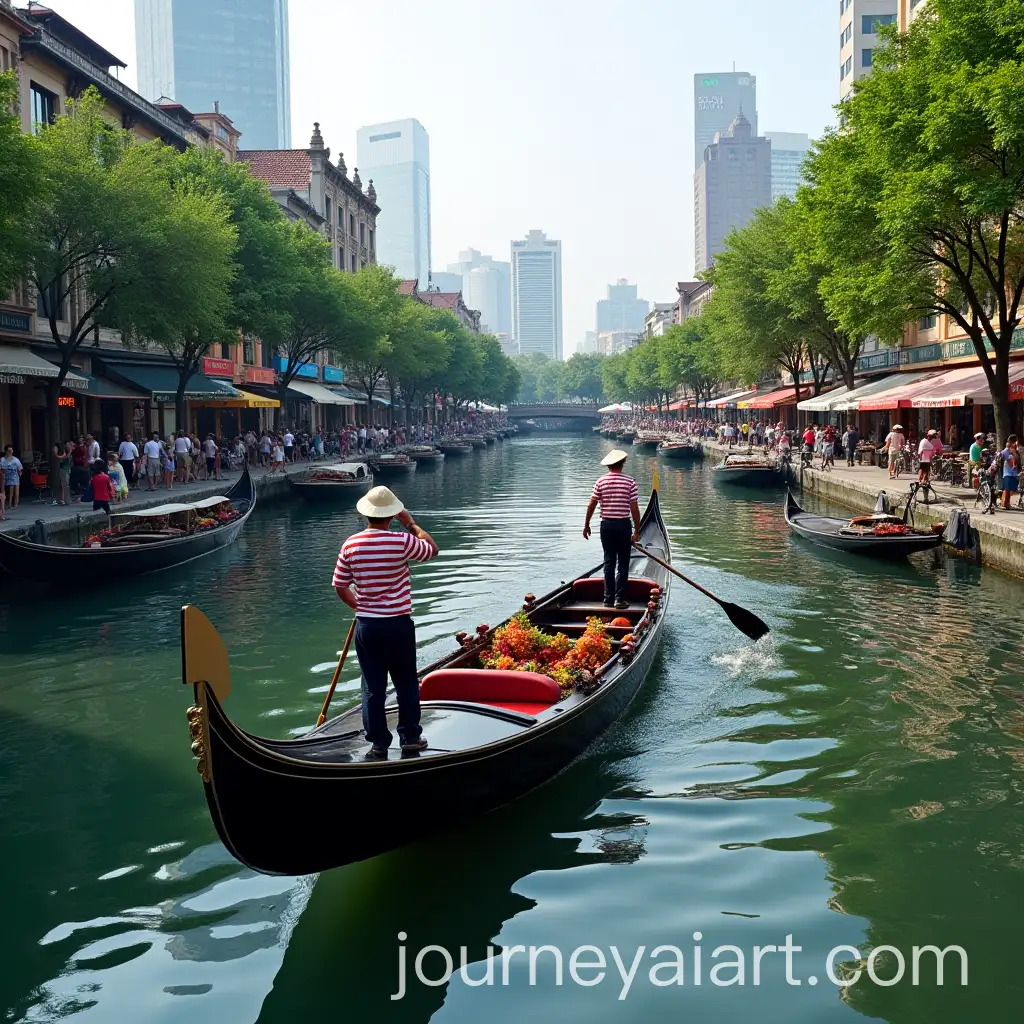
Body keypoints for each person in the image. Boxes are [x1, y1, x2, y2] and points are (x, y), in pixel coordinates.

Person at [332, 485, 439, 760]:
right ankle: (411, 738)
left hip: (368, 626)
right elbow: (432, 549)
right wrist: (411, 523)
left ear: (366, 515)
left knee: (372, 686)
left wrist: (360, 607)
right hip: (398, 625)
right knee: (405, 683)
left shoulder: (350, 544)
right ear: (391, 516)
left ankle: (379, 743)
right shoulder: (401, 541)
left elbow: (340, 585)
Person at [582, 449, 641, 610]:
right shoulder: (630, 482)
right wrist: (637, 530)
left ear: (608, 466)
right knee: (622, 563)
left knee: (609, 562)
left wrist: (586, 525)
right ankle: (619, 599)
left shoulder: (600, 482)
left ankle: (608, 599)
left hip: (606, 526)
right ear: (622, 464)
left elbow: (592, 504)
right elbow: (634, 508)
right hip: (623, 525)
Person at [999, 434, 1019, 509]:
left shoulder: (1013, 450)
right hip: (1007, 472)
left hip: (1012, 472)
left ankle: (1006, 503)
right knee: (1007, 489)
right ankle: (1005, 504)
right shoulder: (1006, 451)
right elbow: (1010, 463)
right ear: (1014, 442)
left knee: (1010, 489)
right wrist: (1014, 454)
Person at [2, 445, 23, 509]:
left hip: (15, 476)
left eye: (11, 450)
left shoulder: (15, 459)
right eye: (9, 451)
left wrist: (20, 473)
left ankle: (16, 503)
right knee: (10, 491)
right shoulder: (3, 459)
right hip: (6, 477)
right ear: (6, 451)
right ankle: (9, 504)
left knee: (16, 490)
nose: (10, 452)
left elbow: (19, 468)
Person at [52, 441, 72, 505]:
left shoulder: (66, 452)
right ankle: (63, 499)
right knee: (64, 485)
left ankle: (63, 499)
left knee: (64, 485)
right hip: (63, 469)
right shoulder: (63, 452)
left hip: (66, 469)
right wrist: (69, 452)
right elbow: (61, 457)